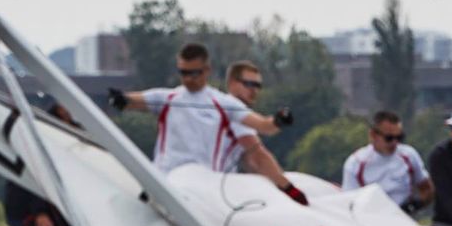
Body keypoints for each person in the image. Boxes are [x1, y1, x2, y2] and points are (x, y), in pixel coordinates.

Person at [108, 43, 308, 205]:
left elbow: (264, 126)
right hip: (165, 182)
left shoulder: (222, 103)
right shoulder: (167, 97)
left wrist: (280, 119)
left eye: (193, 73)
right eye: (183, 73)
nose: (188, 79)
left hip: (201, 186)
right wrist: (120, 99)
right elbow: (133, 101)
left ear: (206, 71)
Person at [3, 103, 76, 226]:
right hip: (28, 211)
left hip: (54, 213)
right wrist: (40, 213)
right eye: (65, 115)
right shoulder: (39, 147)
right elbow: (38, 179)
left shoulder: (71, 143)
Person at [341, 111, 434, 213]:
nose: (395, 142)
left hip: (404, 218)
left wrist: (415, 205)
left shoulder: (409, 156)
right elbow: (348, 202)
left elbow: (426, 189)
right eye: (389, 138)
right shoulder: (356, 163)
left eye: (399, 137)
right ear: (373, 135)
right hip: (370, 219)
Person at [223, 60, 293, 135]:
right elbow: (264, 126)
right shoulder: (230, 105)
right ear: (232, 83)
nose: (255, 90)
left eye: (258, 86)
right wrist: (281, 117)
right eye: (249, 84)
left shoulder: (236, 116)